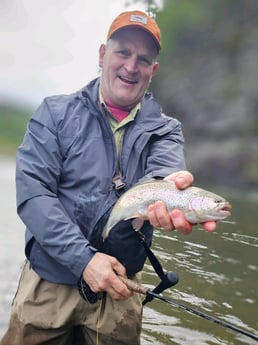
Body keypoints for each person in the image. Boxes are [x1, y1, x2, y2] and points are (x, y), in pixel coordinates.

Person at [1, 9, 216, 345]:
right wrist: (83, 259)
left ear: (153, 70)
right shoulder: (54, 114)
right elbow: (33, 196)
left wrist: (171, 193)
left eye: (143, 59)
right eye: (123, 53)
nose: (131, 67)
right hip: (50, 280)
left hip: (121, 287)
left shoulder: (166, 130)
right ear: (103, 55)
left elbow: (165, 176)